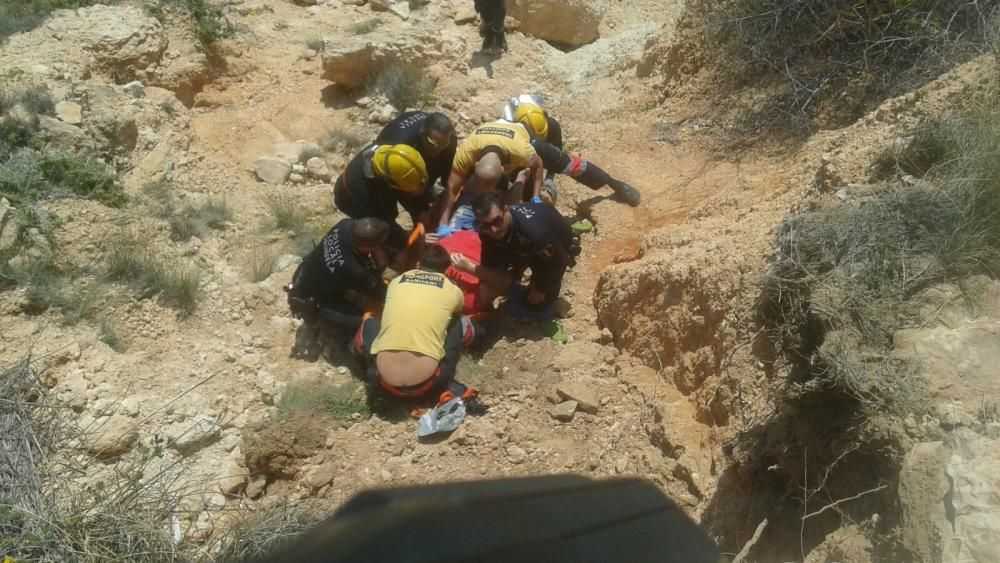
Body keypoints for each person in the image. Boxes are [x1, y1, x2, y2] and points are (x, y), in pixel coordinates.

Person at [352, 244, 481, 401]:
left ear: (418, 265)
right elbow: (458, 310)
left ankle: (361, 362)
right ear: (445, 271)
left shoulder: (396, 282)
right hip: (430, 384)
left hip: (382, 382)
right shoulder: (452, 289)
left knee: (370, 322)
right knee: (458, 321)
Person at [449, 191, 578, 312]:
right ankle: (518, 271)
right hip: (520, 242)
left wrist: (541, 287)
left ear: (506, 209)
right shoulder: (487, 230)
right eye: (486, 225)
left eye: (497, 221)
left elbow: (558, 261)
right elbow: (489, 258)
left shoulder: (534, 234)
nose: (493, 230)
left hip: (556, 244)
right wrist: (489, 279)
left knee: (534, 304)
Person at [503, 96, 641, 207]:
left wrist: (549, 180)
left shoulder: (550, 125)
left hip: (529, 146)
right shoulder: (508, 141)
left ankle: (614, 183)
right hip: (516, 154)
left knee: (570, 164)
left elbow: (564, 161)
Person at [286, 217, 390, 337]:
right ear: (367, 247)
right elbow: (380, 291)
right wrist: (381, 268)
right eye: (379, 245)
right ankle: (321, 319)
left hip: (306, 271)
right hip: (313, 296)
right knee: (366, 323)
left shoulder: (346, 224)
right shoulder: (356, 270)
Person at [437, 121, 544, 237]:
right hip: (486, 140)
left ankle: (520, 179)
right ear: (476, 165)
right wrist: (442, 223)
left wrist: (536, 197)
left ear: (503, 171)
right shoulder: (466, 153)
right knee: (469, 192)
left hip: (515, 138)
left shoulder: (522, 153)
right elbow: (451, 188)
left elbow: (538, 164)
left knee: (509, 205)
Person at [333, 143, 429, 251]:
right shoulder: (364, 191)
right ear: (390, 181)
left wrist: (420, 215)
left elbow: (408, 193)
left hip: (381, 182)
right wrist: (409, 238)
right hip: (348, 199)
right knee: (378, 231)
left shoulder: (394, 158)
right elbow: (381, 222)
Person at [374, 111, 457, 196]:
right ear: (422, 134)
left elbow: (449, 166)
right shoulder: (401, 145)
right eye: (434, 144)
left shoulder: (449, 138)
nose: (440, 149)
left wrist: (449, 191)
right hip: (390, 160)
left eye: (445, 144)